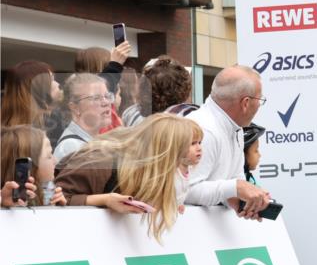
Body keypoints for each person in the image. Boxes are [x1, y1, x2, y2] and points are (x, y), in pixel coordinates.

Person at [55, 114, 199, 241]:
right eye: (183, 149)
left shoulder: (145, 168)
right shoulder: (100, 161)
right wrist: (106, 200)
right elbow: (55, 201)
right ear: (164, 151)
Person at [185, 65, 271, 219]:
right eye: (260, 99)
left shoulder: (233, 127)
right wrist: (236, 187)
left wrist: (243, 201)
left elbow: (228, 184)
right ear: (245, 103)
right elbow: (186, 191)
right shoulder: (204, 130)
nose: (259, 105)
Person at [53, 73, 114, 164]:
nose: (106, 102)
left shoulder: (92, 141)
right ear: (75, 108)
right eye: (96, 98)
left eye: (107, 96)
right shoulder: (71, 149)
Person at [0, 125, 67, 206]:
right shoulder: (8, 201)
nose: (55, 161)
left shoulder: (45, 191)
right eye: (49, 156)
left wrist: (57, 208)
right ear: (29, 166)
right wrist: (4, 206)